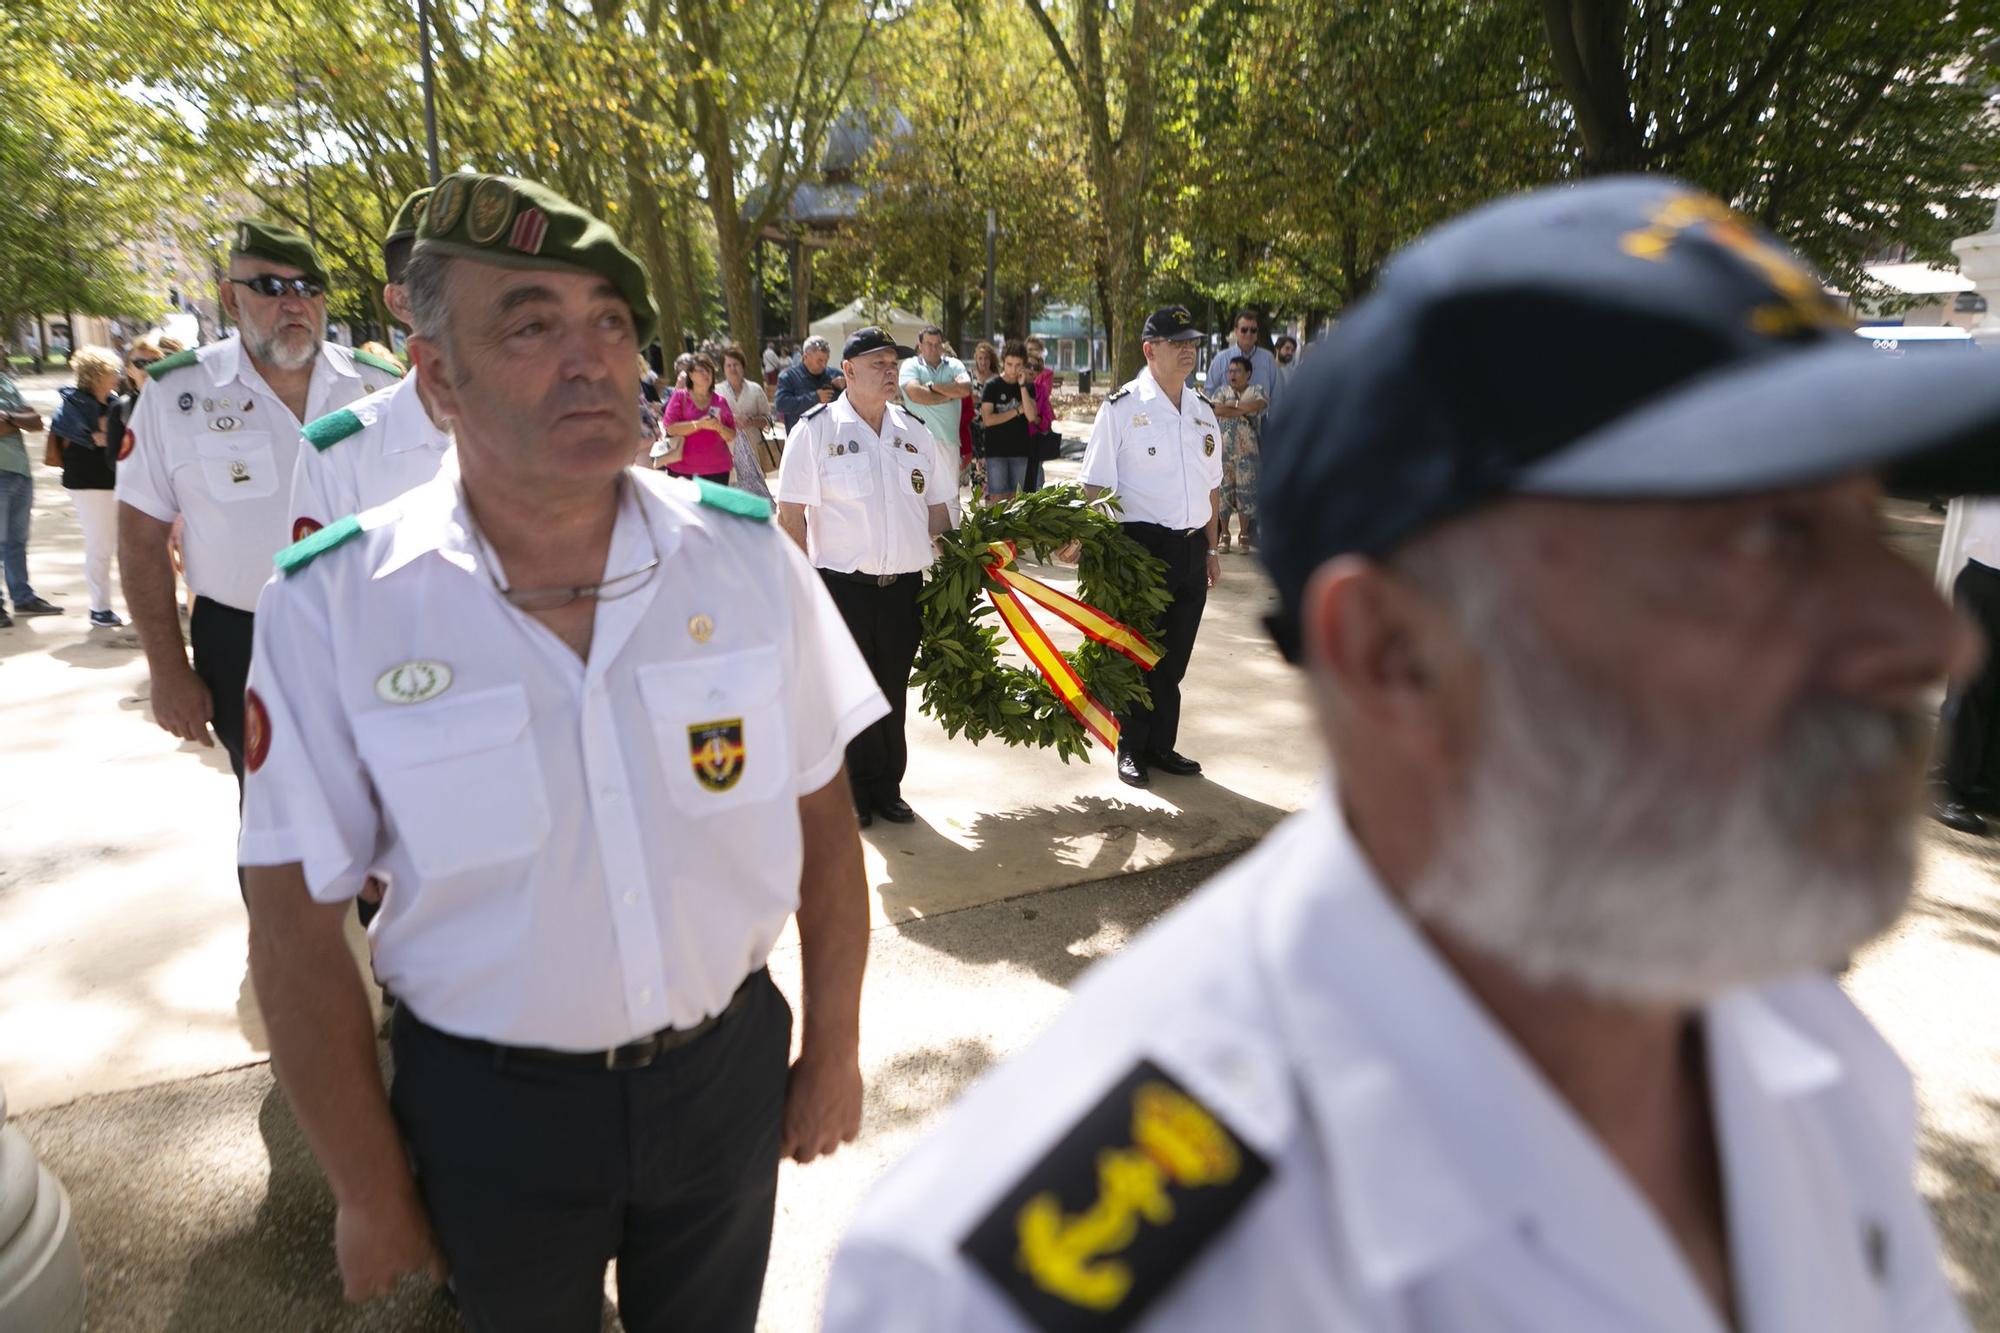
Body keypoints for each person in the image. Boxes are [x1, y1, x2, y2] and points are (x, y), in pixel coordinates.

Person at [823, 177, 1992, 1333]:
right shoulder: (993, 1297)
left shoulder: (1797, 1041)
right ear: (1393, 658)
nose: (1923, 635)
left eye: (1862, 525)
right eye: (1767, 543)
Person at [238, 171, 883, 1333]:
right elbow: (291, 921)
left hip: (722, 1076)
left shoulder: (742, 562)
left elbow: (822, 826)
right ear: (435, 376)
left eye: (611, 322)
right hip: (490, 1111)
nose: (592, 358)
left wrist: (832, 1046)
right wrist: (368, 1186)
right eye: (532, 324)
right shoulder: (336, 605)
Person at [117, 221, 392, 784]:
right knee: (274, 812)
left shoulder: (379, 386)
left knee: (392, 798)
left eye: (308, 287)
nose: (293, 303)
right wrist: (168, 669)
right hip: (243, 638)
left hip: (376, 629)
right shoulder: (176, 395)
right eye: (269, 287)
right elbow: (140, 537)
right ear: (229, 298)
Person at [774, 327, 954, 829]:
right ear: (847, 371)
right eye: (877, 363)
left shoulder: (914, 429)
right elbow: (791, 517)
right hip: (841, 588)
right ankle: (854, 792)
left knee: (892, 690)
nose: (890, 370)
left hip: (903, 589)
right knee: (850, 695)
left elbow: (937, 509)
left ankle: (889, 789)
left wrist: (960, 562)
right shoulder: (817, 430)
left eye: (893, 362)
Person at [1059, 307, 1221, 789]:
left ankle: (1161, 746)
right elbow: (1095, 485)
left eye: (1192, 341)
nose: (1188, 349)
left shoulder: (1202, 409)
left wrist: (1212, 550)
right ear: (1150, 350)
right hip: (1142, 550)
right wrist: (1083, 537)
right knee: (1137, 654)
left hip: (1192, 549)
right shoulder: (1123, 407)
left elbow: (1212, 488)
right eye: (1177, 342)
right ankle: (1131, 747)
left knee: (1174, 658)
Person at [290, 188, 450, 543]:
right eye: (434, 279)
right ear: (399, 302)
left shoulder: (552, 429)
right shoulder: (337, 453)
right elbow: (321, 595)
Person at [50, 346, 128, 625]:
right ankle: (99, 608)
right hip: (89, 482)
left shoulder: (115, 401)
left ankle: (112, 605)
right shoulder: (74, 403)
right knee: (101, 545)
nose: (118, 377)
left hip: (114, 479)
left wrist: (107, 434)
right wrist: (106, 434)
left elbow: (110, 437)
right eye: (112, 372)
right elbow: (94, 438)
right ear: (96, 374)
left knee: (121, 545)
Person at [0, 364, 57, 626]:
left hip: (19, 471)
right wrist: (18, 419)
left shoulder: (5, 381)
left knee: (16, 541)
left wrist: (9, 418)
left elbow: (35, 422)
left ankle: (22, 597)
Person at [899, 326, 972, 522]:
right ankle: (922, 544)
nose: (933, 348)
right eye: (928, 344)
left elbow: (965, 389)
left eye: (937, 344)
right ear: (920, 345)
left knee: (949, 496)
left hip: (946, 441)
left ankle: (951, 546)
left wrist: (933, 387)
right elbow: (916, 394)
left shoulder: (955, 364)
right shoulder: (909, 365)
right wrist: (948, 394)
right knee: (917, 494)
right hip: (915, 443)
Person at [1212, 354, 1266, 553]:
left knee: (1246, 494)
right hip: (1224, 453)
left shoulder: (1257, 390)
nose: (1232, 374)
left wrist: (1231, 407)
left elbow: (1258, 405)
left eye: (1237, 371)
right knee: (1223, 494)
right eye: (1230, 371)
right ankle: (1224, 534)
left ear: (1248, 374)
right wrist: (1241, 408)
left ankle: (1244, 534)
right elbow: (1217, 409)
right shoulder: (1221, 391)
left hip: (1248, 454)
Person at [657, 352, 736, 484]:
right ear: (691, 375)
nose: (707, 374)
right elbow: (670, 429)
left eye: (710, 370)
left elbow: (731, 435)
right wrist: (698, 424)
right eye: (702, 370)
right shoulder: (680, 397)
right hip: (682, 470)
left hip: (717, 471)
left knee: (712, 506)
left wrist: (719, 427)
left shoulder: (720, 401)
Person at [976, 341, 1040, 504]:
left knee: (1017, 500)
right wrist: (1017, 411)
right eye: (1009, 364)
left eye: (1018, 365)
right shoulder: (992, 386)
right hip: (996, 452)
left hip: (1020, 451)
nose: (1013, 369)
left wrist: (1022, 387)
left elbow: (1032, 416)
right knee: (998, 500)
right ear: (1003, 361)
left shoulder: (1028, 386)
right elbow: (988, 420)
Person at [718, 344, 775, 501]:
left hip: (753, 453)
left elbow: (769, 420)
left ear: (742, 366)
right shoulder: (717, 391)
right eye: (728, 365)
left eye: (736, 364)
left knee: (756, 500)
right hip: (727, 453)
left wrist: (749, 421)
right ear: (723, 368)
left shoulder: (755, 389)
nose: (732, 368)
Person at [775, 335, 845, 431]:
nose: (824, 365)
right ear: (805, 357)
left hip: (831, 438)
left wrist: (846, 386)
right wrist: (815, 397)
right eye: (819, 361)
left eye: (826, 360)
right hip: (801, 438)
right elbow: (782, 404)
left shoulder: (835, 375)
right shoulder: (788, 376)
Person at [1202, 308, 1277, 397]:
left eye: (1253, 330)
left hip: (1261, 410)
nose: (1249, 334)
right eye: (1244, 330)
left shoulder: (1268, 358)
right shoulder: (1221, 359)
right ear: (1236, 331)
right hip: (1226, 409)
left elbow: (1275, 394)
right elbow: (1209, 393)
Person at [1021, 337, 1056, 493]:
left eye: (1035, 367)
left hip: (1034, 440)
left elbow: (1045, 418)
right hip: (1015, 444)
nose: (1031, 369)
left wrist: (1037, 418)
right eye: (1028, 365)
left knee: (1035, 486)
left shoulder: (1041, 384)